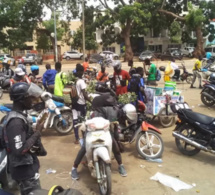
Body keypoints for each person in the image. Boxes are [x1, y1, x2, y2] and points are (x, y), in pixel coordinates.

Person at [71, 95, 127, 180]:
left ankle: (120, 165)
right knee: (85, 147)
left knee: (114, 145)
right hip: (93, 132)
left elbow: (115, 126)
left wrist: (117, 139)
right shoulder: (94, 113)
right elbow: (88, 124)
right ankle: (74, 168)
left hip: (105, 133)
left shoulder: (111, 111)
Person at [3, 82, 46, 195]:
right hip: (25, 172)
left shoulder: (19, 115)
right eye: (29, 98)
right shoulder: (16, 122)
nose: (32, 101)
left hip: (26, 168)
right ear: (22, 100)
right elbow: (19, 150)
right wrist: (37, 133)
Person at [72, 64, 92, 144]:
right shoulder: (81, 82)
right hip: (81, 103)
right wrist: (91, 101)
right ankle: (84, 137)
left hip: (74, 102)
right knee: (83, 121)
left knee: (75, 119)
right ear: (81, 71)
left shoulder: (75, 80)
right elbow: (84, 94)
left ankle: (76, 138)